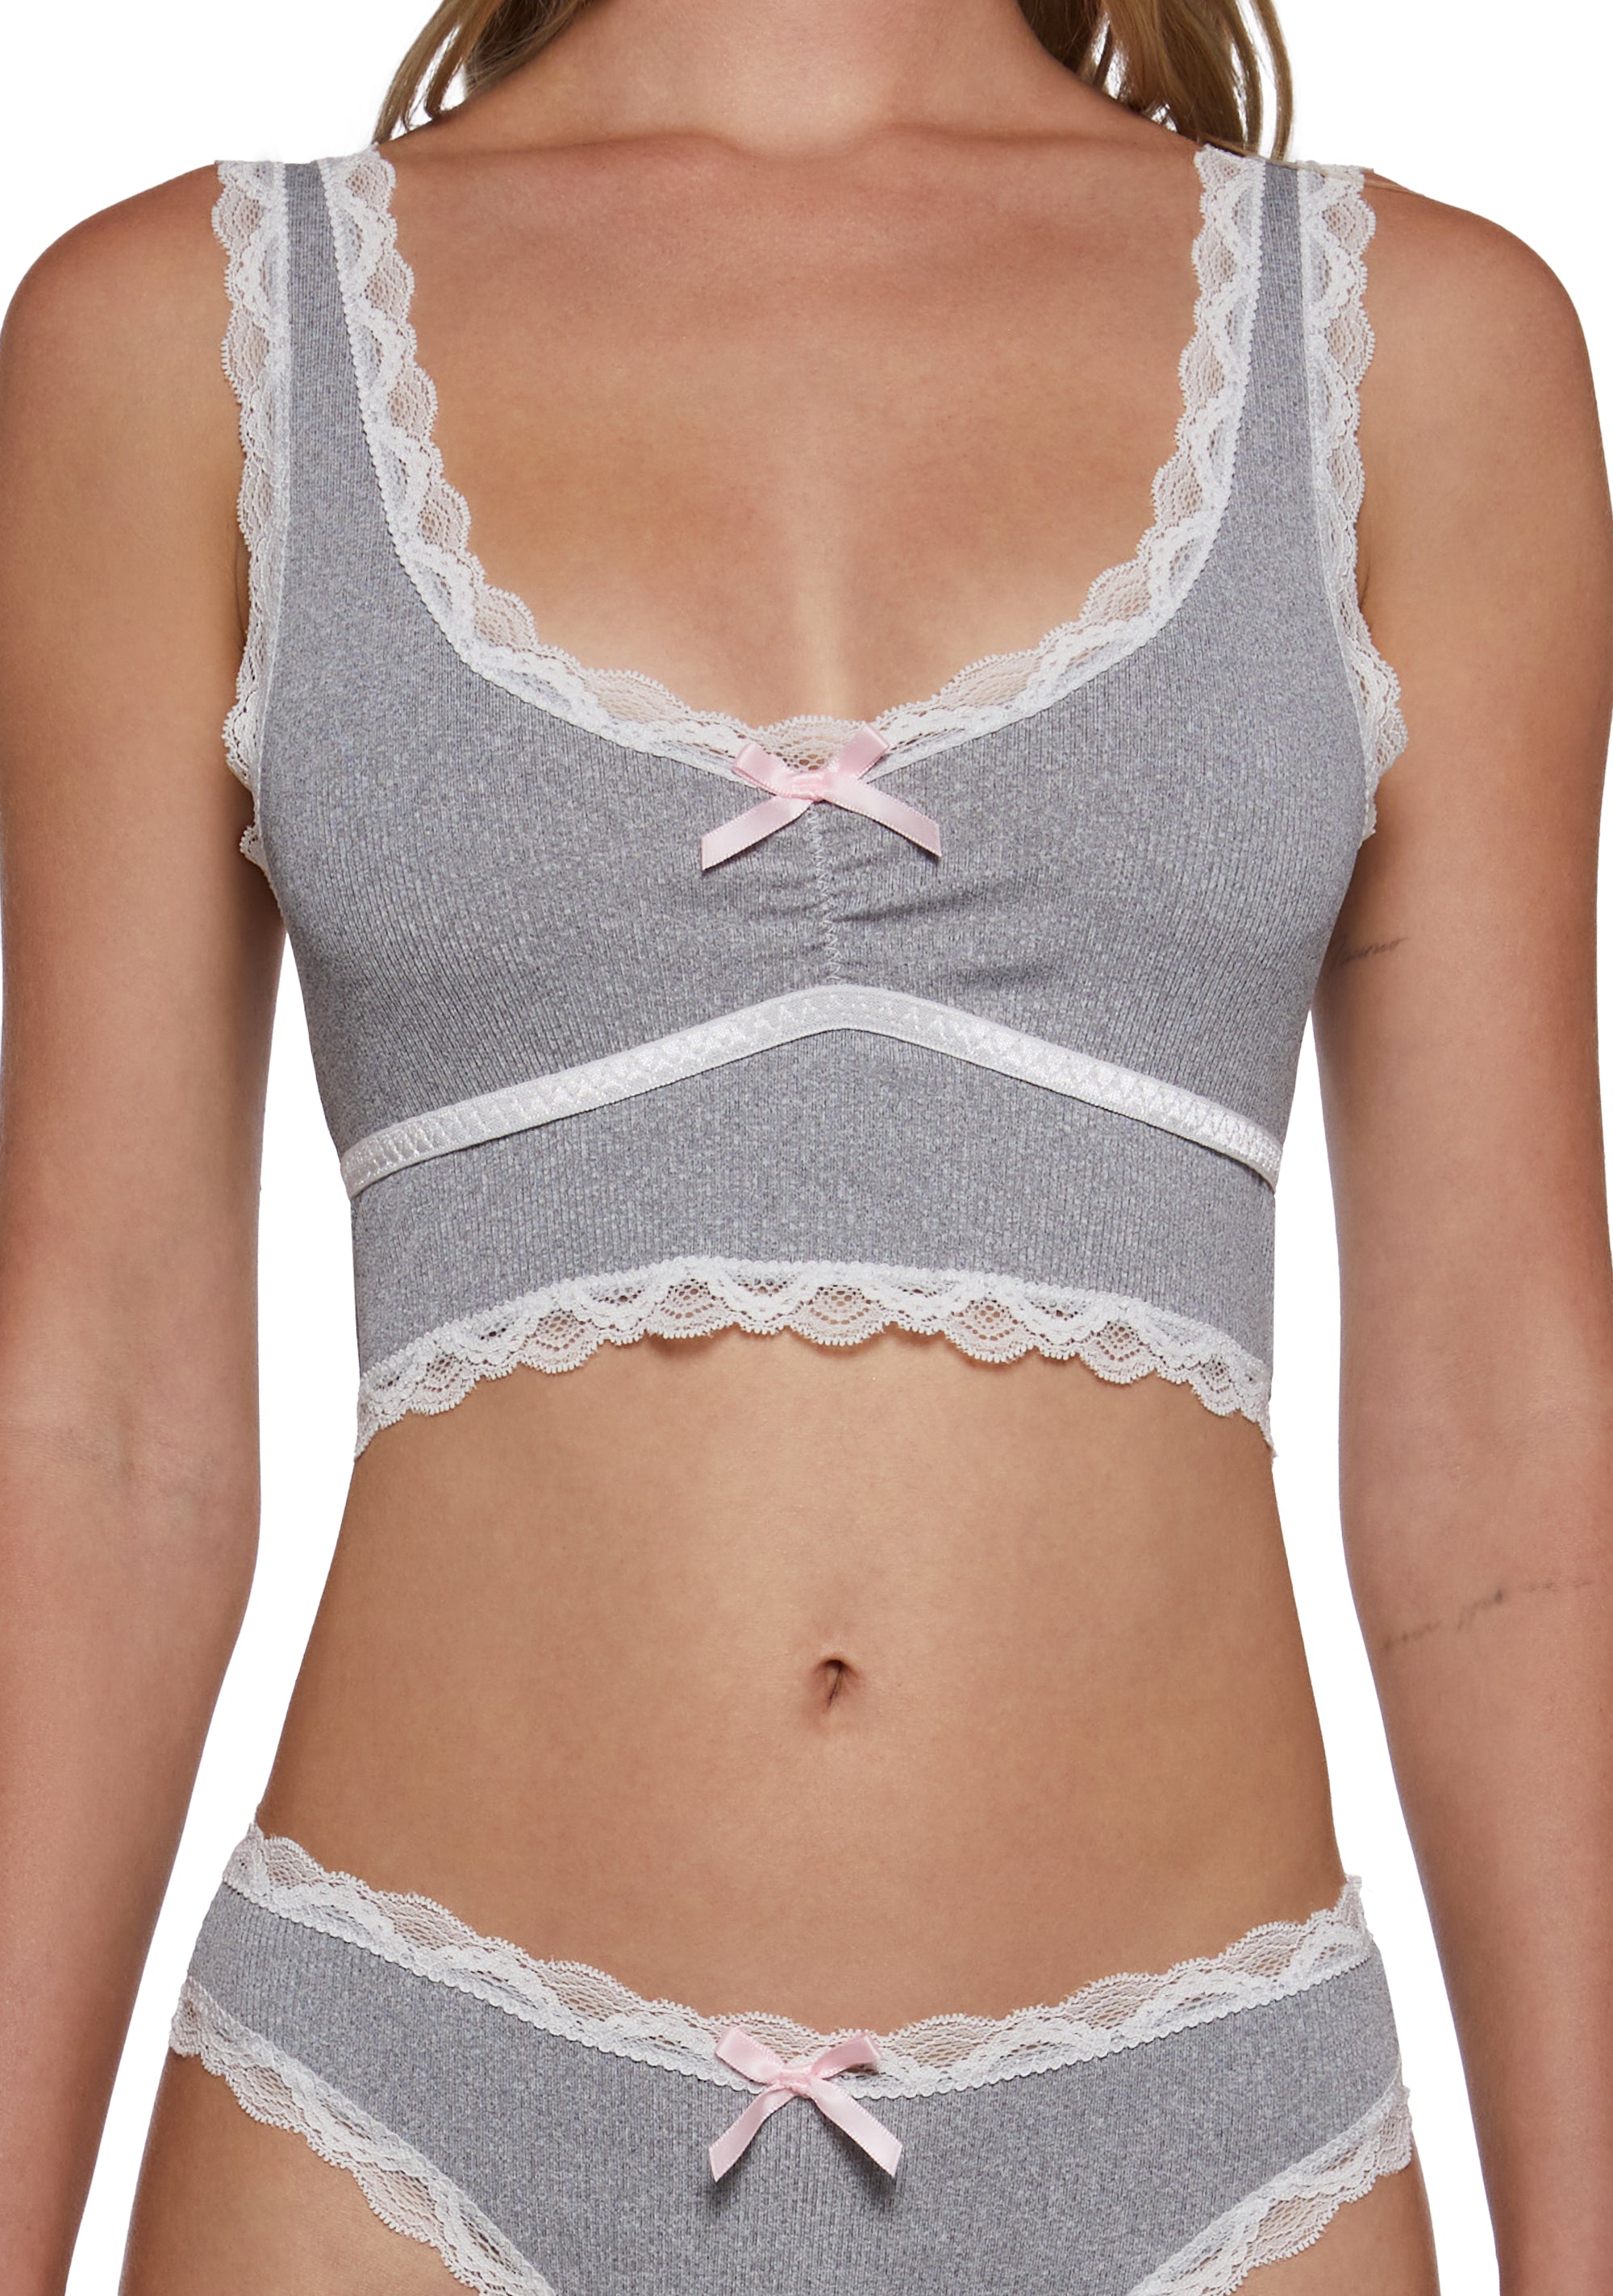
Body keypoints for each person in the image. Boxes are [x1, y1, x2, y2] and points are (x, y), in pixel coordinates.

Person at [2, 0, 1610, 2286]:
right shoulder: (179, 336)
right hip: (389, 2129)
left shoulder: (1421, 348)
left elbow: (1505, 1420)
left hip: (1211, 2148)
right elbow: (99, 1418)